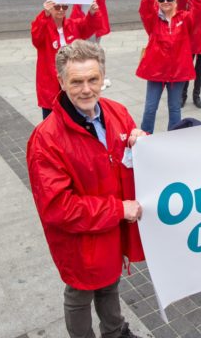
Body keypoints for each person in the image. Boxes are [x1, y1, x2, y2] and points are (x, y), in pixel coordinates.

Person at [27, 40, 144, 338]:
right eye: (76, 81)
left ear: (102, 77)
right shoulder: (46, 139)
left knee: (110, 282)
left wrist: (141, 144)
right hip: (80, 241)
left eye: (93, 79)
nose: (86, 89)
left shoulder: (117, 112)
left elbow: (127, 163)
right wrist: (119, 209)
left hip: (111, 229)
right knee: (80, 295)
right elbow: (58, 208)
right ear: (61, 81)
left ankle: (115, 330)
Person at [137, 0, 201, 133]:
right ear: (158, 2)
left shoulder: (185, 17)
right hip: (156, 72)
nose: (166, 1)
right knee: (150, 108)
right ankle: (144, 138)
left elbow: (200, 18)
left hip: (178, 72)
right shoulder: (153, 20)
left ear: (176, 1)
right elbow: (145, 12)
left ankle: (173, 139)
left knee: (175, 109)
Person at [31, 0, 101, 120]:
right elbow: (36, 38)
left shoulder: (72, 25)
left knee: (73, 118)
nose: (61, 10)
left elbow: (87, 27)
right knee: (51, 122)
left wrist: (92, 13)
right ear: (51, 7)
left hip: (72, 81)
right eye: (57, 7)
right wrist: (45, 15)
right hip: (50, 83)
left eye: (64, 6)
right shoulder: (44, 26)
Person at [70, 0, 116, 89]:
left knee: (94, 51)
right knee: (87, 52)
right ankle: (91, 76)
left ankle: (99, 76)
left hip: (94, 26)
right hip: (80, 24)